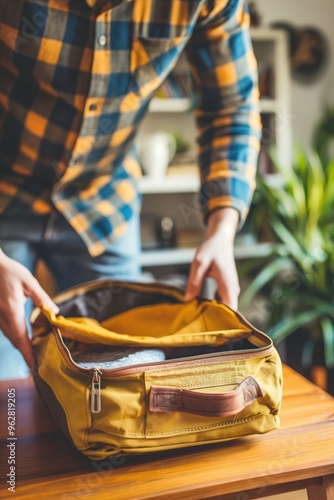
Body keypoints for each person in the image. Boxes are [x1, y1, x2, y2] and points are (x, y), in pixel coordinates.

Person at [0, 0, 261, 377]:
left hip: (103, 203)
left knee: (126, 377)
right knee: (8, 395)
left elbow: (232, 107)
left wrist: (221, 230)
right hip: (6, 190)